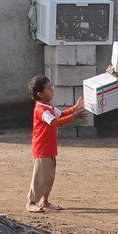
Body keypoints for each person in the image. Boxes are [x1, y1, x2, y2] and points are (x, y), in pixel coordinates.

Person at [26, 75, 86, 213]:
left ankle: (44, 201)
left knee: (49, 176)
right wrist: (75, 115)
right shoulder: (41, 109)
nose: (52, 90)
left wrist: (74, 108)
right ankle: (31, 202)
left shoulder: (48, 106)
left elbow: (61, 115)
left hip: (49, 148)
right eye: (49, 88)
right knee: (40, 177)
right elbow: (55, 123)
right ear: (40, 94)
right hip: (42, 149)